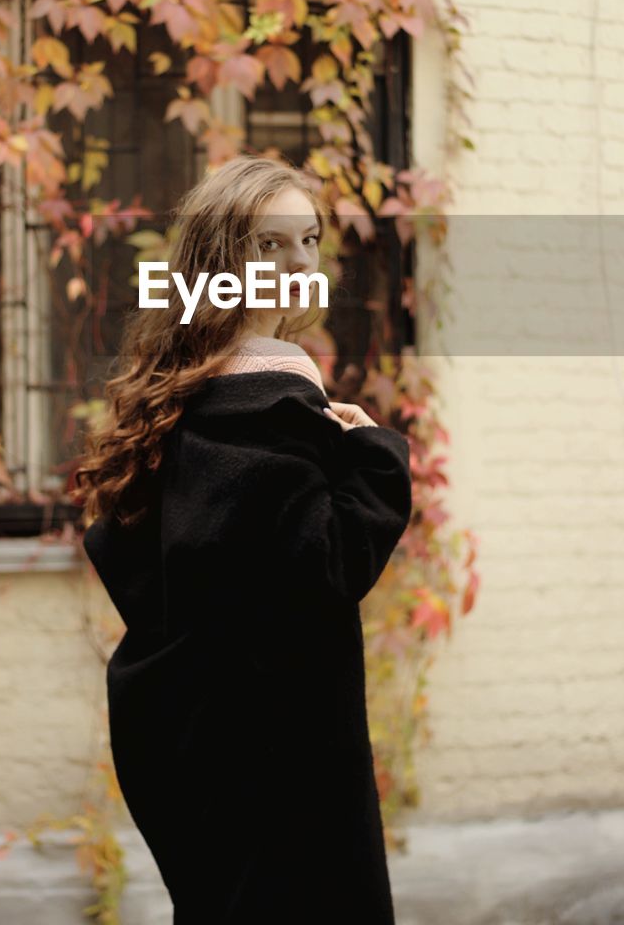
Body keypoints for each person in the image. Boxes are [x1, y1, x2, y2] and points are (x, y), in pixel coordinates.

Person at [71, 154, 413, 924]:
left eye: (310, 240)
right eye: (269, 244)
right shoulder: (278, 381)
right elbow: (322, 564)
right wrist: (376, 459)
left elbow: (153, 557)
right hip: (276, 751)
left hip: (189, 736)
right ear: (220, 260)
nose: (299, 263)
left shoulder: (179, 383)